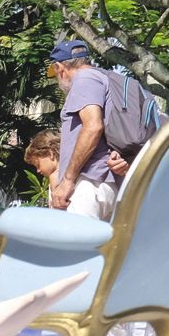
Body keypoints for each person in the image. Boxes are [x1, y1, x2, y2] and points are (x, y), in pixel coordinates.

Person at [48, 39, 117, 220]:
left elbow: (93, 126)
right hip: (100, 183)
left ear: (59, 68)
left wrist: (68, 180)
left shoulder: (84, 79)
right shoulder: (100, 78)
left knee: (73, 246)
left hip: (90, 184)